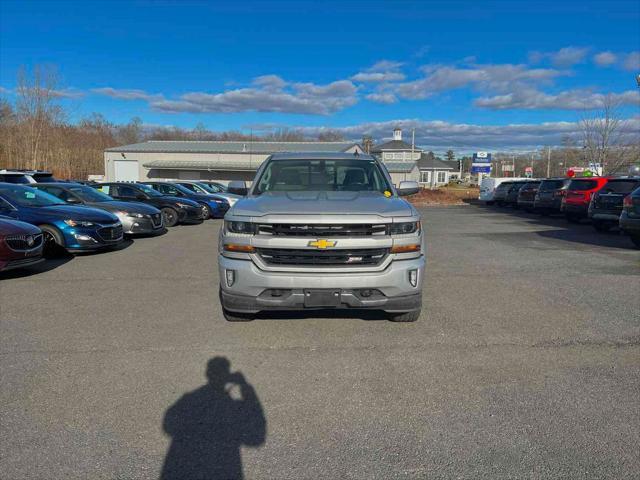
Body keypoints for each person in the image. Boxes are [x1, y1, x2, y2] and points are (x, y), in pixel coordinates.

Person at [161, 357, 266, 480]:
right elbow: (256, 437)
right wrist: (244, 385)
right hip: (225, 468)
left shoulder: (189, 400)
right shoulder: (233, 407)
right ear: (228, 376)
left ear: (207, 374)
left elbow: (168, 424)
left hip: (187, 468)